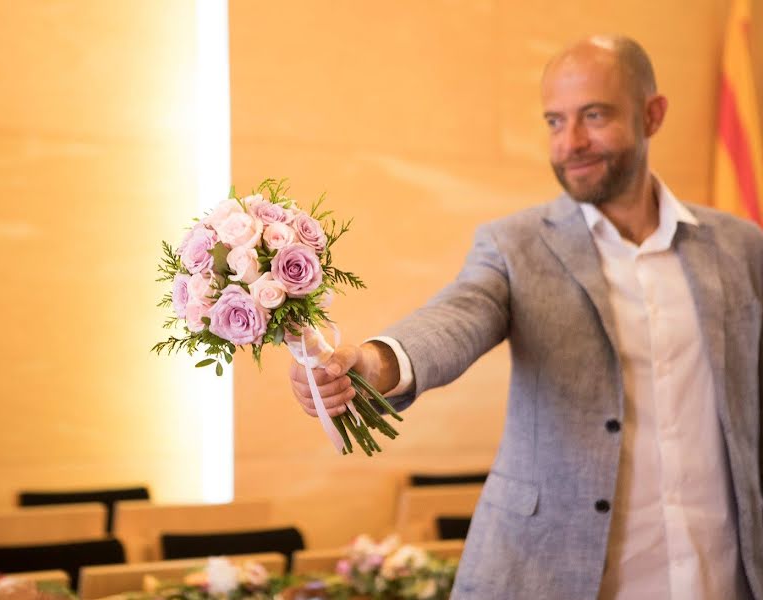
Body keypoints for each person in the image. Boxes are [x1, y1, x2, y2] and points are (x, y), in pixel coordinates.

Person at [289, 35, 763, 600]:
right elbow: (457, 318)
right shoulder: (515, 246)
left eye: (594, 115)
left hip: (719, 577)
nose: (572, 142)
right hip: (558, 577)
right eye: (555, 122)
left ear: (652, 115)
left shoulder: (741, 247)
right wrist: (370, 361)